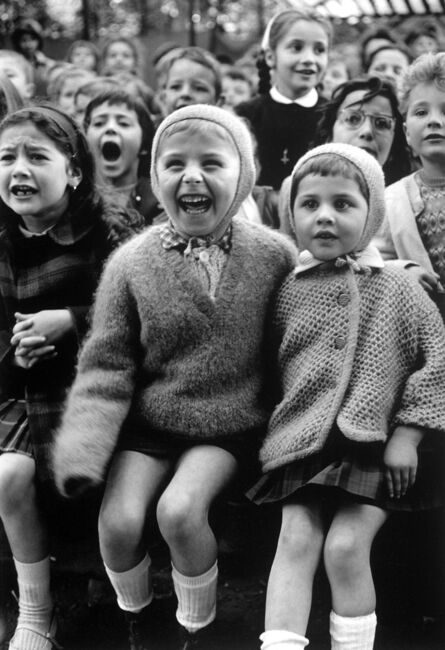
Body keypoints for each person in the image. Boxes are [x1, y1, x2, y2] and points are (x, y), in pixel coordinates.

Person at [52, 104, 296, 650]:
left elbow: (295, 344)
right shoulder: (131, 263)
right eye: (175, 163)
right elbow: (106, 362)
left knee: (180, 511)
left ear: (244, 176)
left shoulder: (274, 255)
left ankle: (196, 627)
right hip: (153, 422)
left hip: (230, 422)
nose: (192, 175)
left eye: (212, 162)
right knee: (117, 522)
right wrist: (83, 449)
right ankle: (138, 616)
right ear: (156, 176)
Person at [248, 142, 445, 650]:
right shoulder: (288, 290)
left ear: (372, 210)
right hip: (302, 442)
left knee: (344, 546)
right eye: (309, 204)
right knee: (295, 538)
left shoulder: (398, 288)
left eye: (343, 203)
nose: (325, 217)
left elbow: (435, 361)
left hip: (373, 446)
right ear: (291, 214)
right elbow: (270, 368)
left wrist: (407, 436)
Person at [0, 104, 142, 650]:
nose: (20, 170)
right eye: (8, 157)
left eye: (38, 156)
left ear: (75, 171)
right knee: (9, 476)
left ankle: (130, 612)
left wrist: (72, 322)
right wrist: (16, 358)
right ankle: (37, 611)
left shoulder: (108, 233)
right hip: (26, 392)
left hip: (97, 389)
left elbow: (140, 318)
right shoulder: (3, 242)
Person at [375, 52, 445, 320]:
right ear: (405, 132)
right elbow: (373, 260)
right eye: (421, 111)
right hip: (422, 330)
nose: (434, 120)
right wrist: (401, 270)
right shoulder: (392, 200)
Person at [236, 7, 332, 191]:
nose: (309, 59)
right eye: (297, 48)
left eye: (319, 50)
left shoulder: (333, 115)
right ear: (271, 57)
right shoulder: (246, 115)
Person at [84, 88, 161, 226]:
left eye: (123, 123)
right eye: (99, 123)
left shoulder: (160, 201)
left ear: (144, 144)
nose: (110, 128)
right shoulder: (71, 200)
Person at [158, 46, 222, 117]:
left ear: (218, 101)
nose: (185, 93)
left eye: (199, 88)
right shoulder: (148, 127)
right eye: (175, 87)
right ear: (162, 97)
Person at [10, 19, 56, 97]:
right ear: (17, 42)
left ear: (39, 40)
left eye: (32, 39)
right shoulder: (12, 65)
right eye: (23, 40)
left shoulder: (48, 64)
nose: (28, 44)